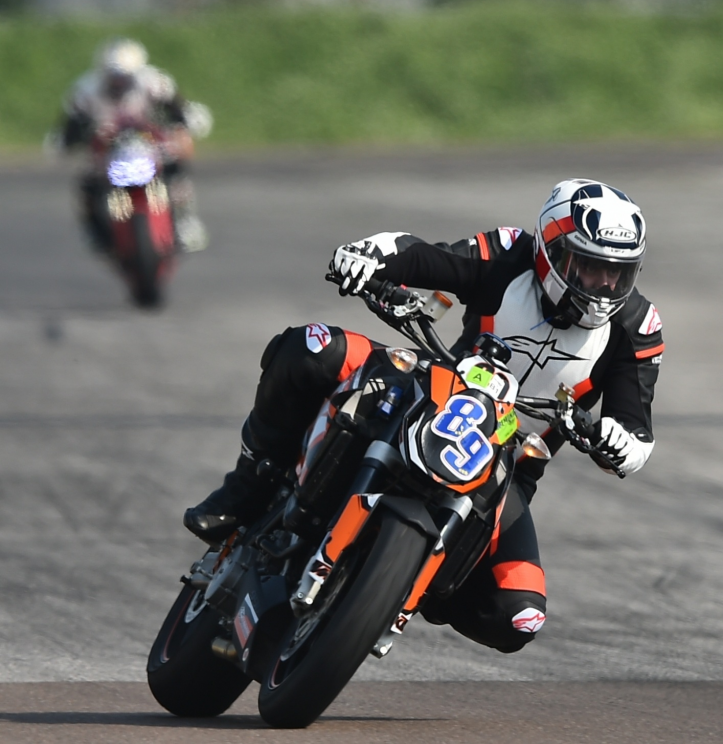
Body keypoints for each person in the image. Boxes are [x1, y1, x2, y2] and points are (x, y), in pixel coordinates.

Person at [184, 177, 664, 654]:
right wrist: (369, 256)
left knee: (518, 617)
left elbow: (636, 432)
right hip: (432, 395)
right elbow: (420, 255)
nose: (605, 286)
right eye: (590, 267)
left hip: (507, 468)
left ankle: (402, 584)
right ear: (550, 252)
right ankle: (248, 483)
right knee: (314, 347)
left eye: (618, 273)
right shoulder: (510, 253)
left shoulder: (638, 328)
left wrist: (618, 442)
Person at [55, 37, 212, 253]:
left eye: (124, 76)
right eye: (113, 76)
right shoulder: (85, 91)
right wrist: (65, 141)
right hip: (108, 149)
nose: (119, 82)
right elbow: (70, 127)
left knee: (176, 171)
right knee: (87, 184)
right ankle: (95, 231)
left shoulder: (155, 82)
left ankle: (184, 220)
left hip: (150, 144)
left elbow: (179, 110)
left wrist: (187, 122)